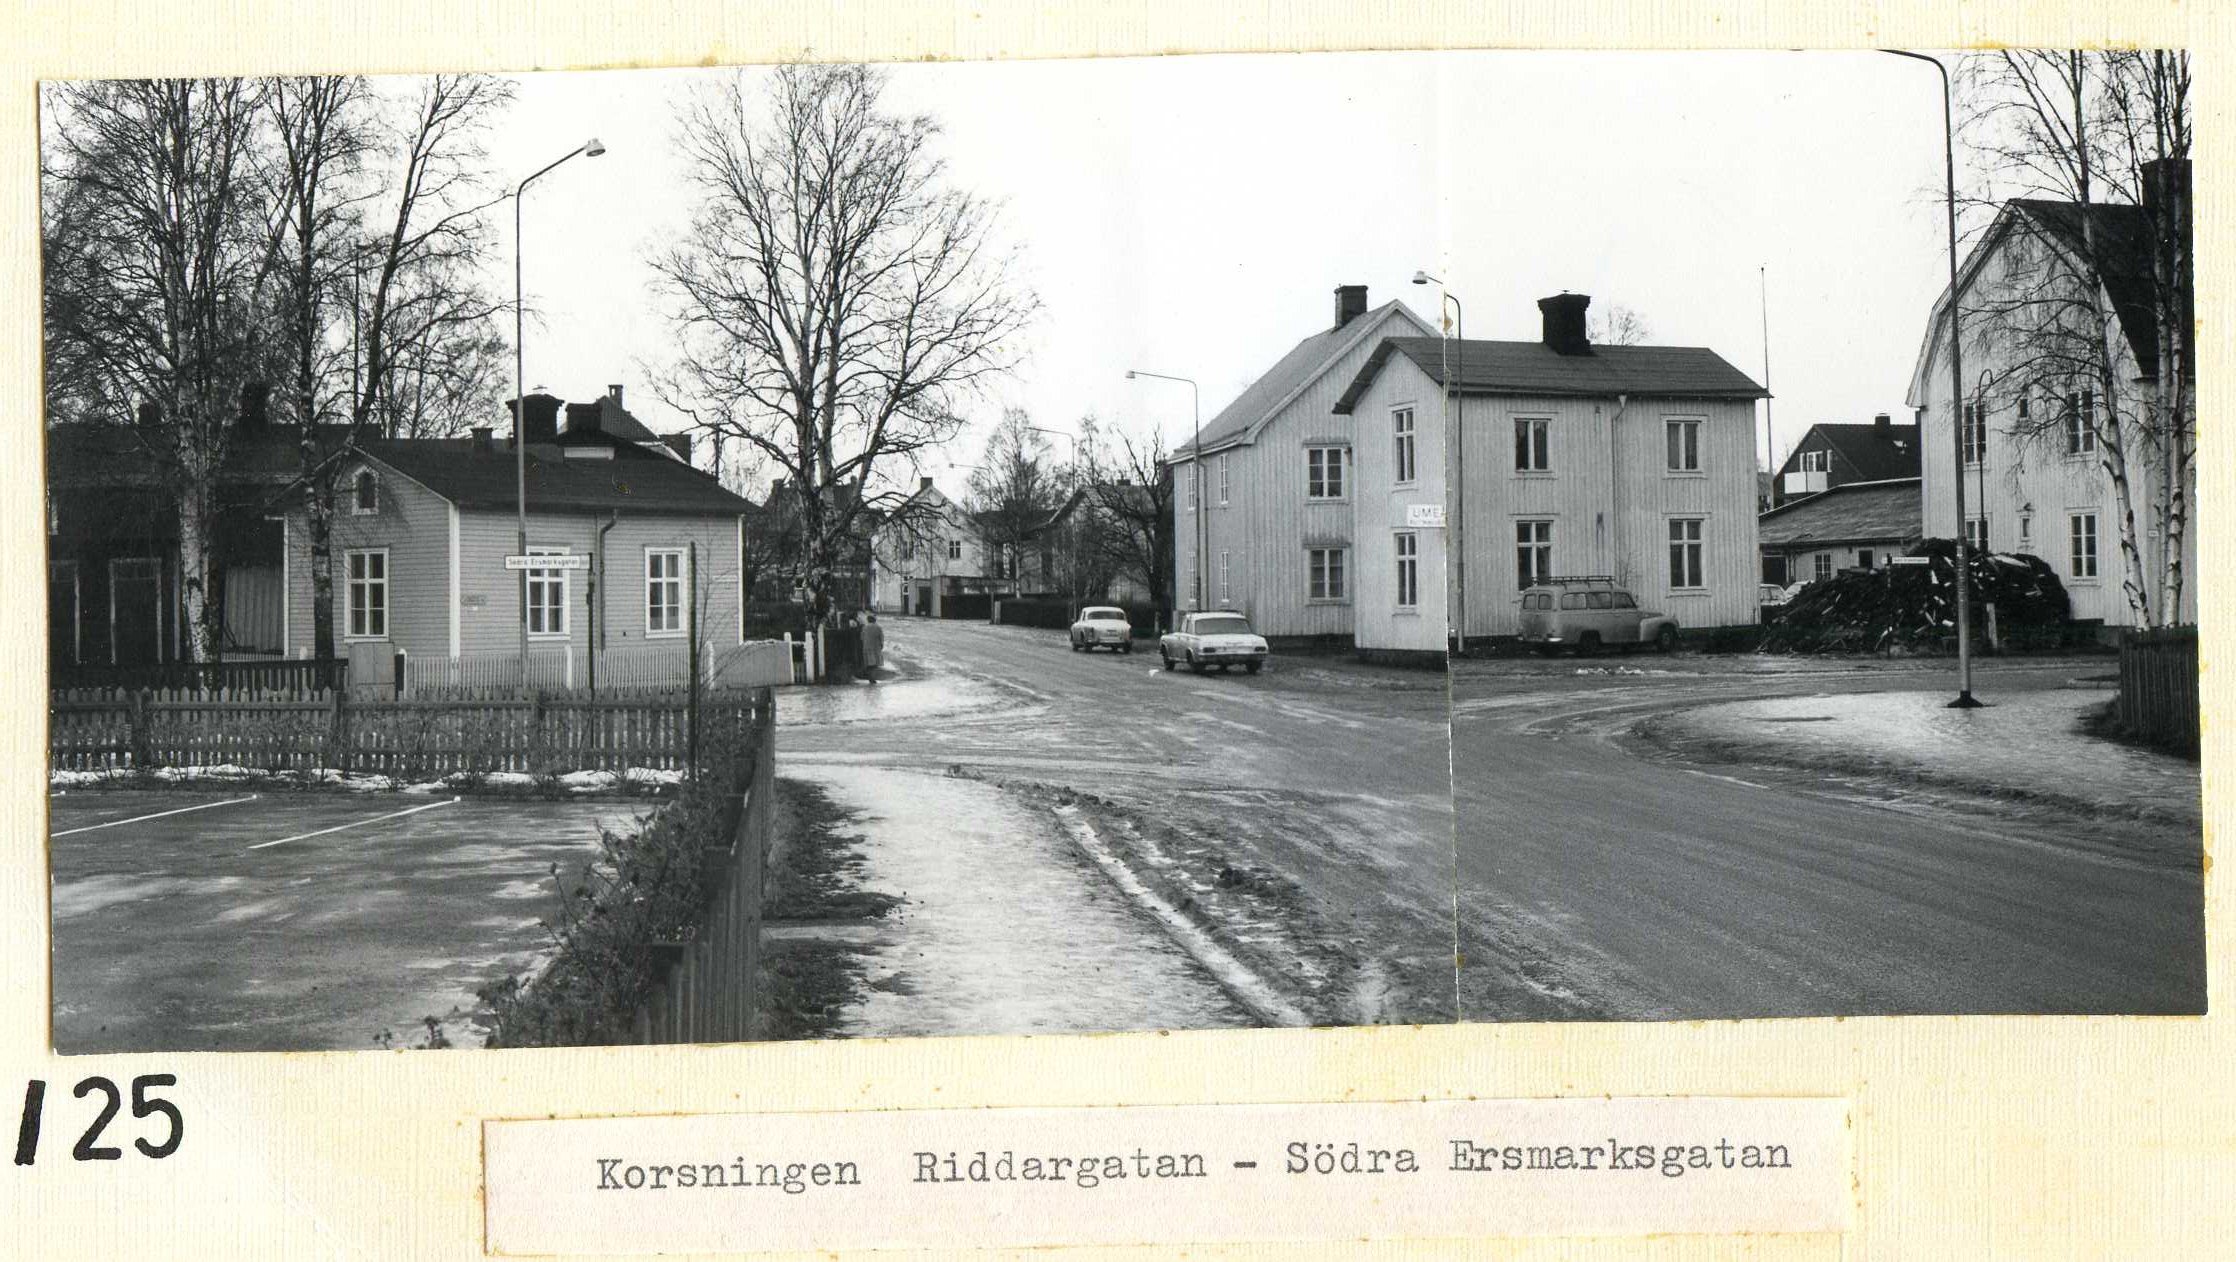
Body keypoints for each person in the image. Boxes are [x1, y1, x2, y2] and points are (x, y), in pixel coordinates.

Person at [860, 612, 884, 682]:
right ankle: (872, 678)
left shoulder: (864, 627)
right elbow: (881, 638)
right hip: (876, 647)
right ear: (874, 620)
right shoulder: (878, 627)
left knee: (868, 663)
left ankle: (870, 677)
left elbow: (861, 638)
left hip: (867, 647)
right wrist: (881, 645)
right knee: (875, 663)